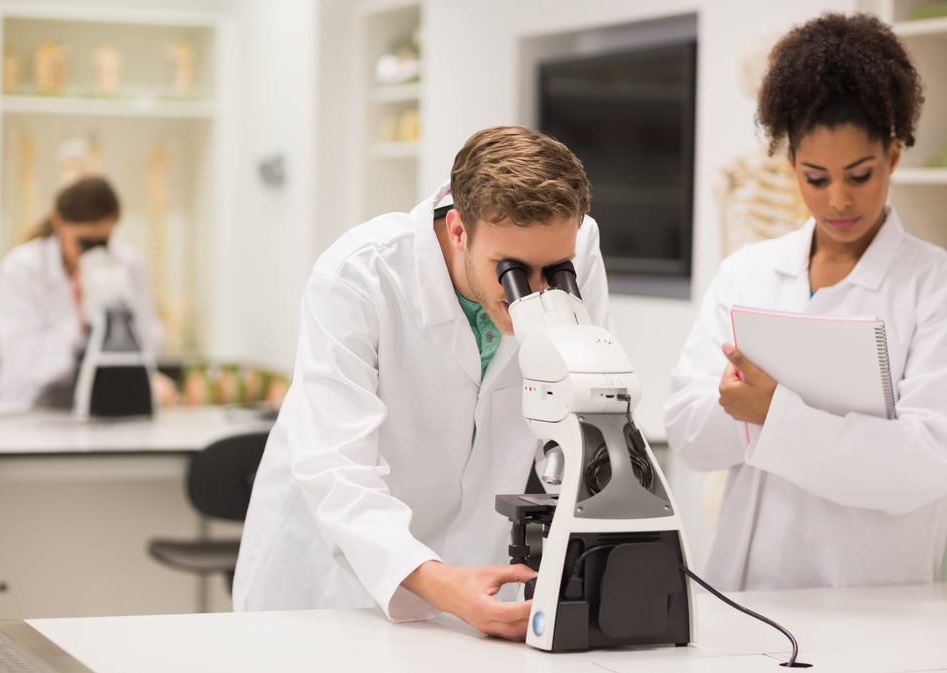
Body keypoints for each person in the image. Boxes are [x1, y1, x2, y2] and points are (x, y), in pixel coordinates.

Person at [234, 126, 612, 640]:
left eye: (554, 270)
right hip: (335, 579)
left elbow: (584, 405)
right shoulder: (357, 276)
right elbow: (337, 468)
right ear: (458, 230)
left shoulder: (573, 245)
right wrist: (441, 583)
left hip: (471, 579)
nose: (537, 292)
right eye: (514, 270)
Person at [663, 13, 947, 591]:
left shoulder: (932, 285)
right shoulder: (747, 272)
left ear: (892, 157)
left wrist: (773, 413)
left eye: (860, 174)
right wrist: (744, 411)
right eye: (816, 177)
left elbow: (924, 464)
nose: (839, 199)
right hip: (746, 590)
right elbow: (686, 432)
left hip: (868, 595)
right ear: (791, 163)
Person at [0, 175, 165, 407]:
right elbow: (28, 361)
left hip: (105, 406)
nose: (94, 253)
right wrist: (79, 321)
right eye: (84, 242)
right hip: (31, 408)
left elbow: (148, 340)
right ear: (59, 222)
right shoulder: (21, 269)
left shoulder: (128, 265)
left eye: (103, 242)